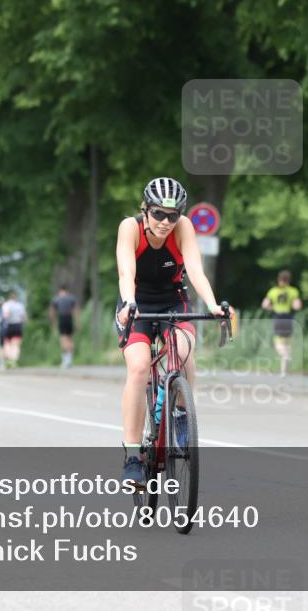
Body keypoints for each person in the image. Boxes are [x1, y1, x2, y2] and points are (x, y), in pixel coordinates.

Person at [114, 177, 224, 487]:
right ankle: (133, 457)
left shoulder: (183, 227)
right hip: (136, 301)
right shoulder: (130, 228)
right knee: (138, 369)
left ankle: (179, 415)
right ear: (145, 210)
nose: (166, 222)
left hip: (172, 300)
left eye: (173, 216)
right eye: (159, 214)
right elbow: (126, 271)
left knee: (184, 351)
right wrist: (129, 303)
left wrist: (213, 304)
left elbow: (196, 269)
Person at [261, 270, 302, 378]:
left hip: (278, 317)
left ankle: (284, 357)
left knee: (278, 343)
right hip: (288, 317)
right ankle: (284, 371)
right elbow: (297, 306)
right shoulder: (293, 291)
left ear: (279, 279)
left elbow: (264, 305)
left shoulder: (273, 291)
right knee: (287, 343)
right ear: (289, 280)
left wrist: (272, 308)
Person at [50, 285, 79, 369]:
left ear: (60, 291)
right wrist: (77, 323)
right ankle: (69, 359)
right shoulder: (71, 298)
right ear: (67, 290)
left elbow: (53, 312)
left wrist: (53, 323)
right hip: (69, 319)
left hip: (62, 318)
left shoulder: (57, 299)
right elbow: (75, 311)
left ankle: (65, 360)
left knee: (63, 339)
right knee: (70, 339)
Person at [1, 291, 27, 369]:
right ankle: (14, 360)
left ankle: (8, 359)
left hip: (8, 325)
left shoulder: (6, 305)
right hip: (18, 326)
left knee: (7, 343)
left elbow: (6, 315)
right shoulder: (20, 305)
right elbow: (24, 318)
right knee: (15, 345)